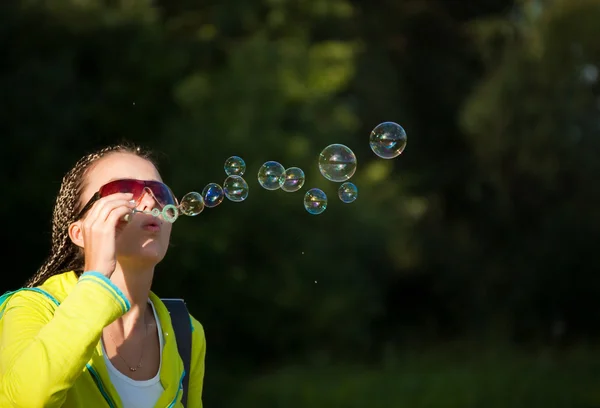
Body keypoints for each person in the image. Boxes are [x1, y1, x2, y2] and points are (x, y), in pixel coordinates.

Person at [0, 144, 206, 408]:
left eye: (159, 192)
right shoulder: (31, 309)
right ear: (79, 233)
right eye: (124, 191)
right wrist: (97, 277)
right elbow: (22, 401)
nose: (150, 201)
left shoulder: (185, 330)